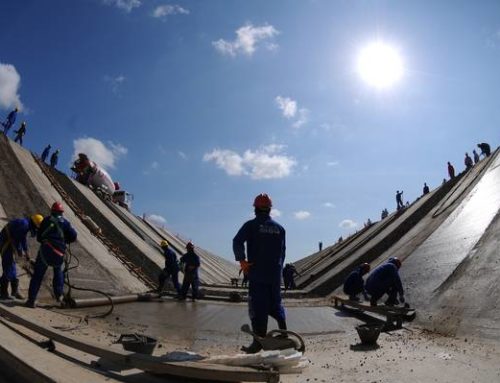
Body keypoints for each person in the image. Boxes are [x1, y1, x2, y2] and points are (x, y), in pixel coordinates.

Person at [233, 193, 286, 353]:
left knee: (257, 307)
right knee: (276, 304)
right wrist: (277, 269)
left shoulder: (251, 225)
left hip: (257, 274)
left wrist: (242, 261)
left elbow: (237, 241)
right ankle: (284, 335)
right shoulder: (280, 229)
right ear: (270, 209)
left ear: (255, 208)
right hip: (275, 275)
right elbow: (283, 252)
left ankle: (258, 343)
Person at [25, 202, 77, 308]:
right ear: (62, 212)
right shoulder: (66, 223)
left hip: (46, 251)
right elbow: (73, 236)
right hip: (59, 253)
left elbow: (39, 238)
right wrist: (64, 239)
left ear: (52, 211)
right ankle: (59, 297)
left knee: (37, 276)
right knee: (58, 273)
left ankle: (31, 300)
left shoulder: (46, 220)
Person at [0, 214, 44, 300]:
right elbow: (17, 241)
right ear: (35, 224)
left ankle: (13, 291)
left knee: (11, 268)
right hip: (5, 244)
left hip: (8, 243)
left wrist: (26, 252)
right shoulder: (24, 225)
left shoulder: (26, 224)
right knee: (9, 267)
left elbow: (23, 239)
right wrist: (20, 252)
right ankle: (3, 292)